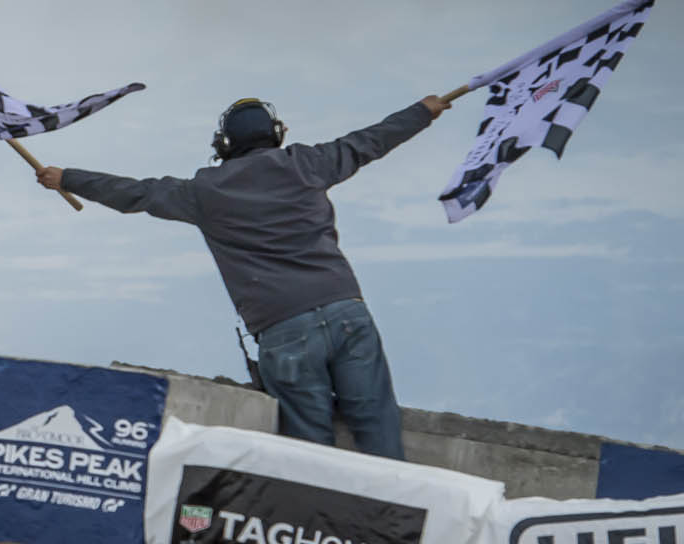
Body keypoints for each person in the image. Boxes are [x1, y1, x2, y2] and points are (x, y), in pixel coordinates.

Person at [35, 94, 452, 460]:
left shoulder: (205, 191)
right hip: (348, 313)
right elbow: (370, 141)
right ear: (276, 134)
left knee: (313, 451)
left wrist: (67, 178)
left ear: (223, 145)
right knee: (379, 431)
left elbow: (135, 193)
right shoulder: (308, 163)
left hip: (284, 330)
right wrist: (423, 111)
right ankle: (399, 532)